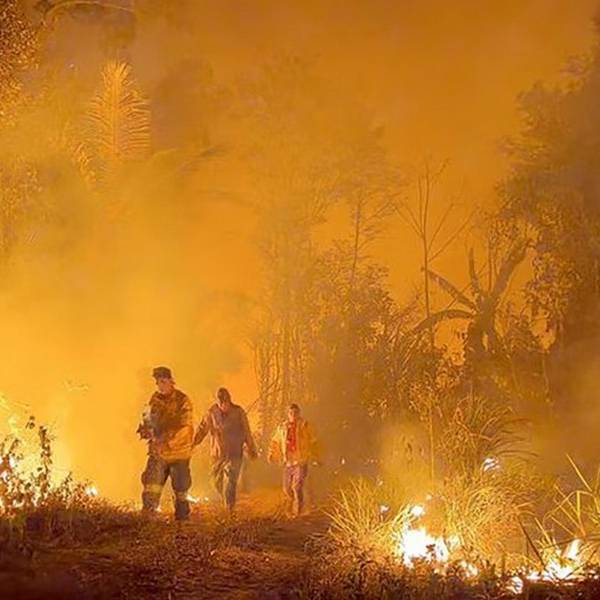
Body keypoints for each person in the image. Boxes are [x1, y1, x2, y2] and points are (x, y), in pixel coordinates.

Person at [137, 366, 194, 521]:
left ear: (171, 381)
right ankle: (148, 520)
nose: (160, 385)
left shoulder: (183, 400)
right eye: (157, 382)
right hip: (158, 453)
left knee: (181, 490)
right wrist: (145, 429)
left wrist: (167, 443)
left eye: (162, 381)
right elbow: (148, 419)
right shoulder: (154, 399)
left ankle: (182, 523)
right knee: (151, 485)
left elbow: (185, 429)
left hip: (178, 453)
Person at [195, 387, 257, 512]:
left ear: (229, 400)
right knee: (215, 482)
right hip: (217, 454)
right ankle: (227, 500)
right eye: (220, 401)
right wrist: (194, 442)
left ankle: (229, 509)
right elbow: (203, 428)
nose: (223, 404)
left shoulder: (238, 412)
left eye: (225, 401)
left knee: (230, 480)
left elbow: (246, 431)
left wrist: (251, 448)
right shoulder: (212, 412)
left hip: (234, 452)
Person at [268, 403, 320, 517]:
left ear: (299, 413)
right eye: (291, 413)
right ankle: (290, 507)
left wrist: (316, 456)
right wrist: (272, 454)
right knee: (286, 488)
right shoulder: (282, 428)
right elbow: (275, 442)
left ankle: (298, 510)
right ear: (288, 414)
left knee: (297, 486)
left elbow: (314, 441)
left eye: (295, 413)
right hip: (288, 462)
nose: (293, 415)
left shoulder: (305, 426)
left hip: (301, 461)